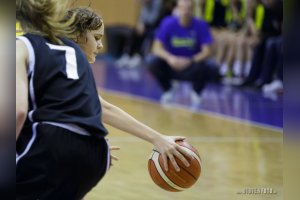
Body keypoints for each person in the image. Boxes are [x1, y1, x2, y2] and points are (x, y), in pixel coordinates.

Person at [16, 1, 193, 199]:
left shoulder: (23, 47)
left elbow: (18, 112)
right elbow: (103, 108)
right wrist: (88, 138)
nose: (101, 45)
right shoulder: (73, 53)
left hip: (53, 145)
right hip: (96, 153)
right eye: (97, 38)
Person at [147, 0, 219, 106]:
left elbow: (207, 51)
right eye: (183, 8)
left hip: (192, 65)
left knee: (212, 66)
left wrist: (189, 61)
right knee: (151, 61)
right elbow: (156, 48)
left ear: (193, 10)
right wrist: (170, 58)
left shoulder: (201, 25)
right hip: (171, 64)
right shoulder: (168, 23)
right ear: (177, 9)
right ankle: (168, 90)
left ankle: (196, 92)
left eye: (189, 8)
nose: (186, 11)